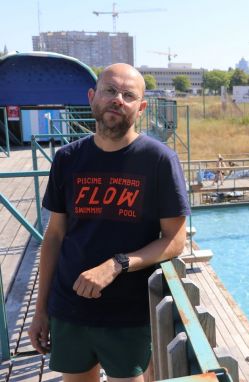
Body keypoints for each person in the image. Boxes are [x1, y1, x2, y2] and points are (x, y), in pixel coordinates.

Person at [28, 63, 190, 382]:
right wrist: (40, 309)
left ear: (140, 108)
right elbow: (55, 237)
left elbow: (175, 240)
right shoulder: (67, 159)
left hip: (127, 314)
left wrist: (116, 264)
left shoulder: (158, 161)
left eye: (128, 95)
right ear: (92, 97)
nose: (118, 99)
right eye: (110, 90)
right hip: (68, 308)